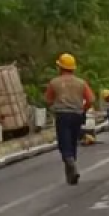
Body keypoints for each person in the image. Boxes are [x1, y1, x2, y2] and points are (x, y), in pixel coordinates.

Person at [45, 53, 94, 185]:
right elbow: (90, 100)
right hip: (77, 115)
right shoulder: (81, 83)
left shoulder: (54, 82)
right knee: (72, 141)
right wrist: (83, 109)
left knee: (64, 143)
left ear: (60, 67)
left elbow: (48, 100)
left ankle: (70, 162)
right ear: (73, 68)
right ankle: (71, 171)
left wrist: (54, 107)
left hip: (62, 115)